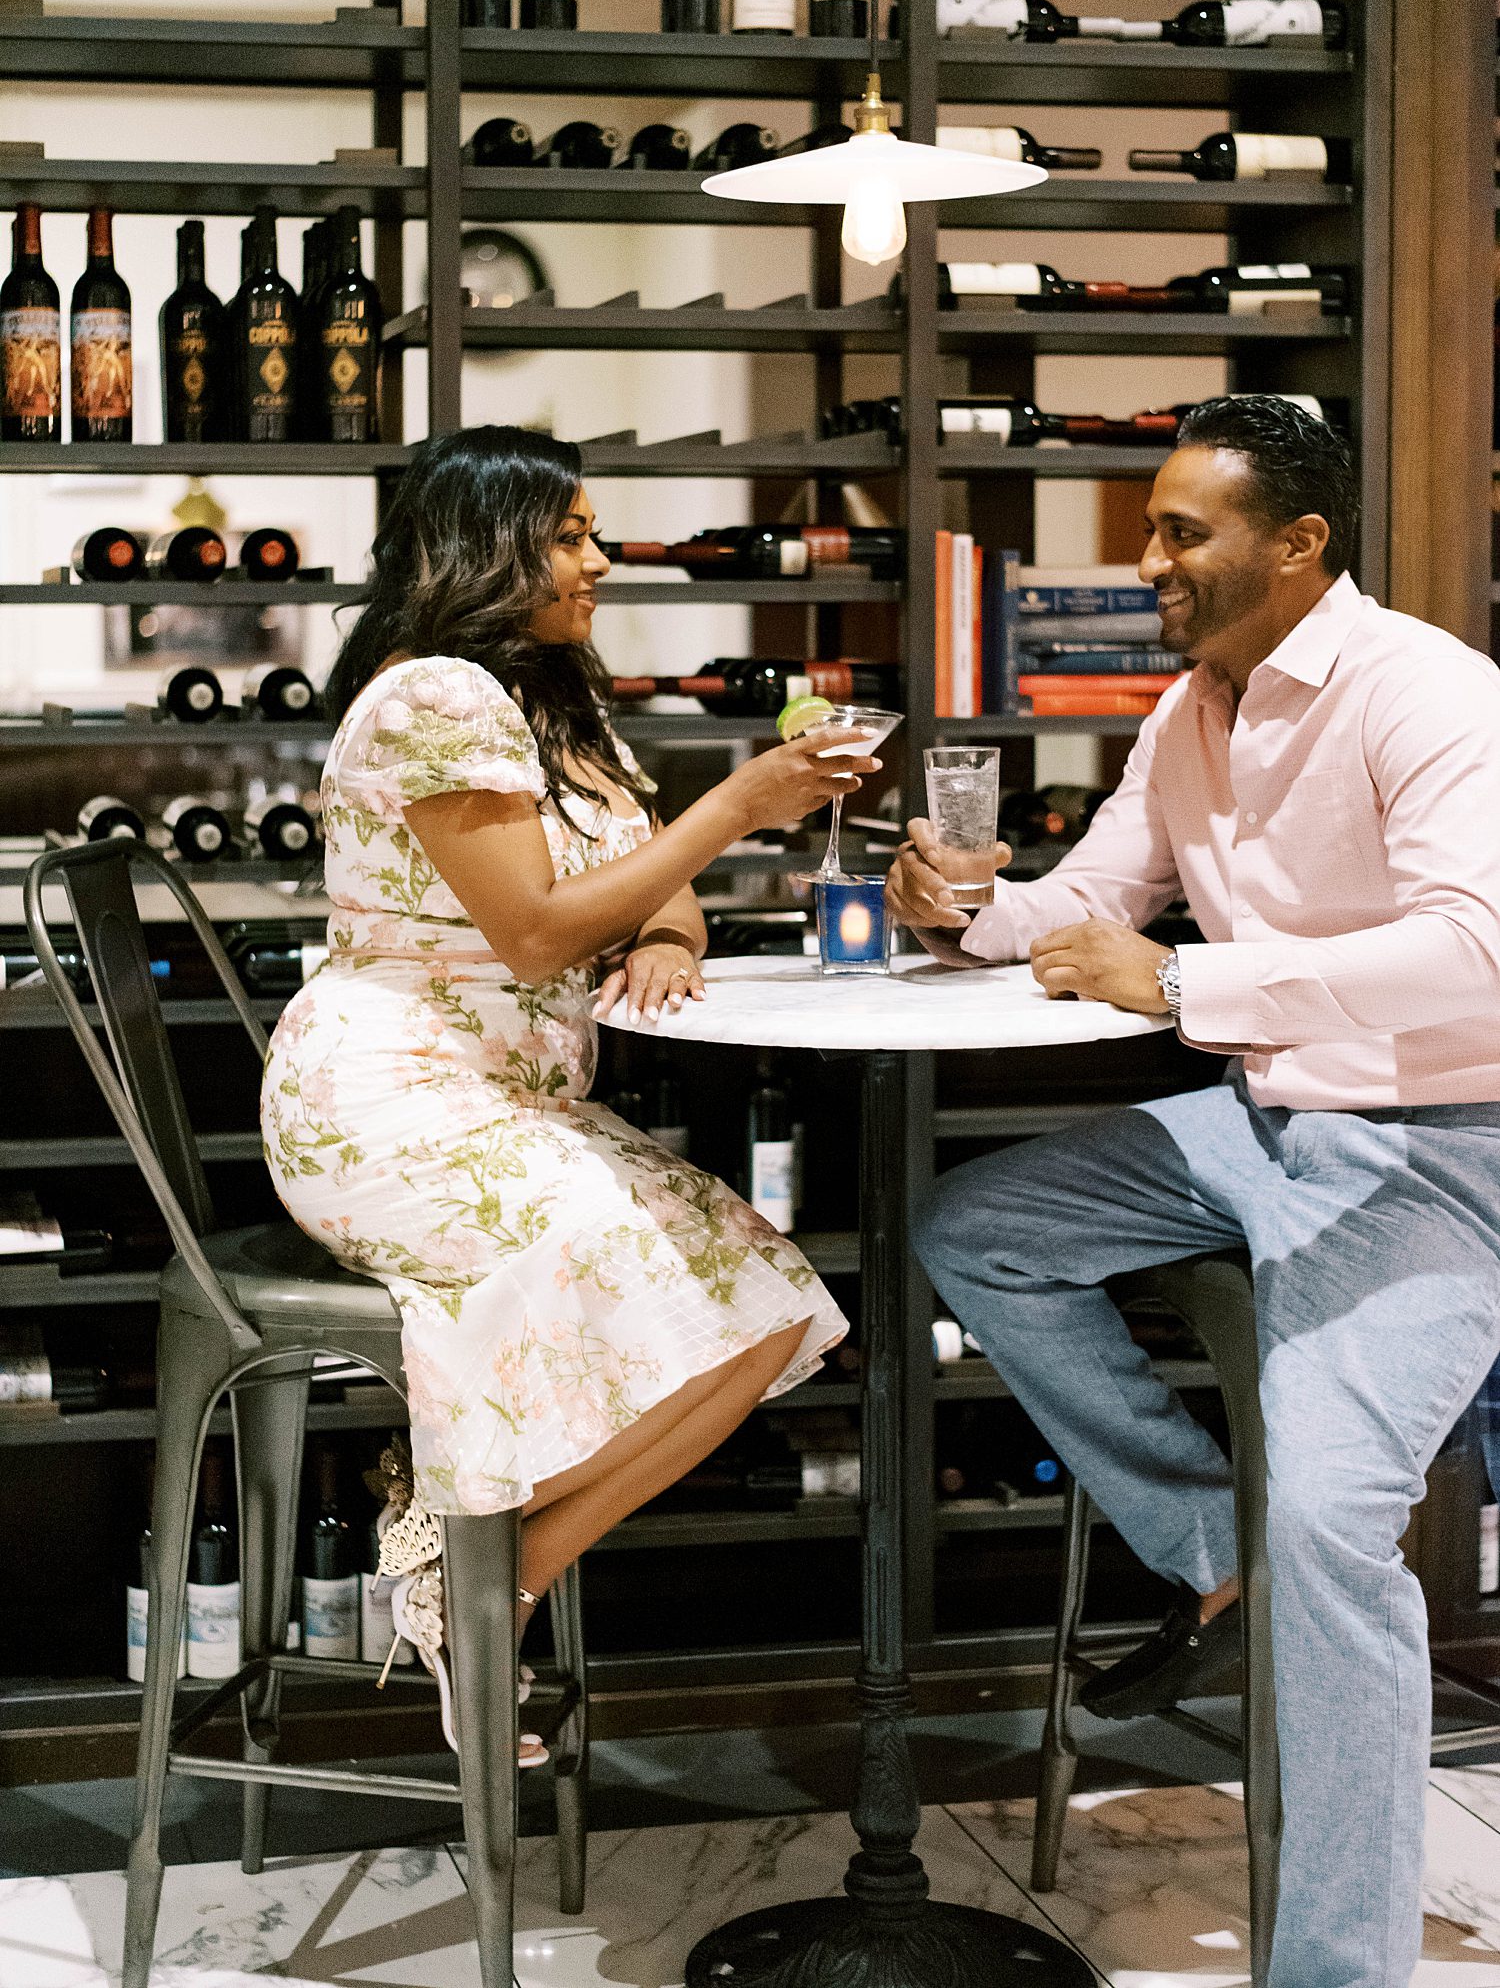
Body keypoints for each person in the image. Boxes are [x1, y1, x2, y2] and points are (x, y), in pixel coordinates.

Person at [886, 395, 1500, 1988]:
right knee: (981, 1228)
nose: (1146, 558)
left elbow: (1473, 953)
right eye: (1150, 527)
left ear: (1297, 545)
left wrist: (1189, 986)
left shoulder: (1428, 694)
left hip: (1448, 1148)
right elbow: (1093, 899)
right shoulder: (1191, 711)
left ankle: (1336, 1971)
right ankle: (1204, 1540)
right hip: (1270, 1122)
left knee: (1337, 1532)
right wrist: (974, 910)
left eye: (1179, 532)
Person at [262, 426, 860, 1754]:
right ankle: (464, 1567)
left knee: (771, 1307)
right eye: (575, 535)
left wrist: (665, 932)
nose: (601, 560)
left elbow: (657, 883)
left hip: (519, 1105)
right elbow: (536, 932)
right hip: (394, 1103)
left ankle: (489, 1581)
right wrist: (739, 805)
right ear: (496, 547)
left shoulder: (549, 699)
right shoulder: (434, 698)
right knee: (620, 1255)